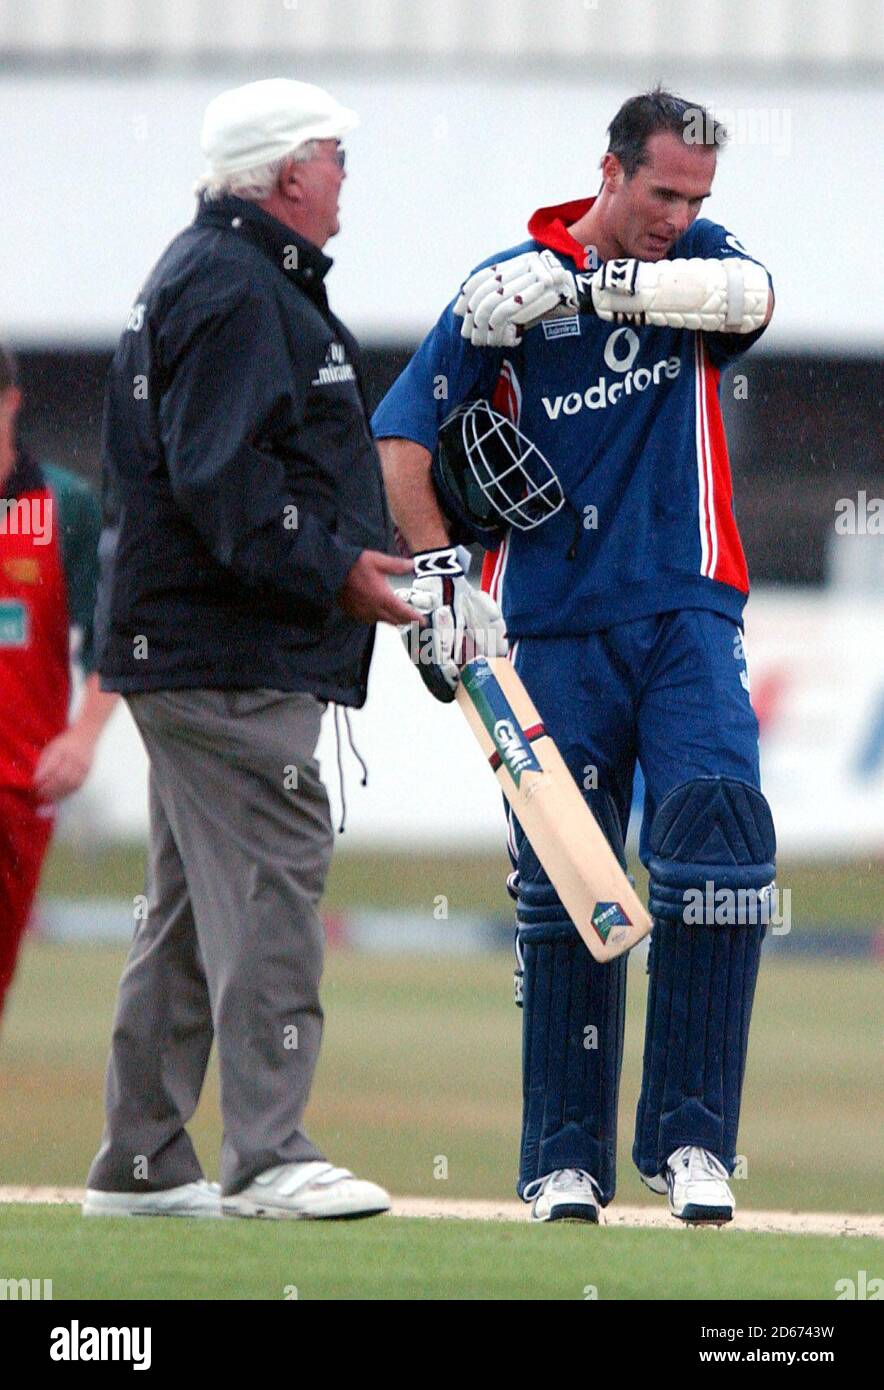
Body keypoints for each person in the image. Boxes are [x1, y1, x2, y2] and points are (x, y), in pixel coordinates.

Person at [373, 89, 776, 1225]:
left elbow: (751, 296)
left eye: (696, 196)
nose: (678, 214)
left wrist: (598, 285)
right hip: (542, 625)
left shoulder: (698, 261)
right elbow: (401, 435)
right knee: (569, 884)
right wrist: (440, 573)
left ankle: (691, 1145)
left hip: (684, 607)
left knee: (718, 849)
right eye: (661, 193)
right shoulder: (497, 290)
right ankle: (563, 1160)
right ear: (608, 172)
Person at [83, 79, 417, 1220]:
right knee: (276, 875)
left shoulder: (215, 273)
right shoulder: (235, 288)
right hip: (222, 650)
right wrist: (340, 572)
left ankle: (141, 1163)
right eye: (333, 156)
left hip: (191, 640)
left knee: (184, 907)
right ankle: (269, 1153)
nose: (342, 177)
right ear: (285, 174)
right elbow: (230, 484)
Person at [0, 343, 117, 1023]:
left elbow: (117, 640)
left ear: (11, 402)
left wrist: (83, 735)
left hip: (21, 788)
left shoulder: (61, 508)